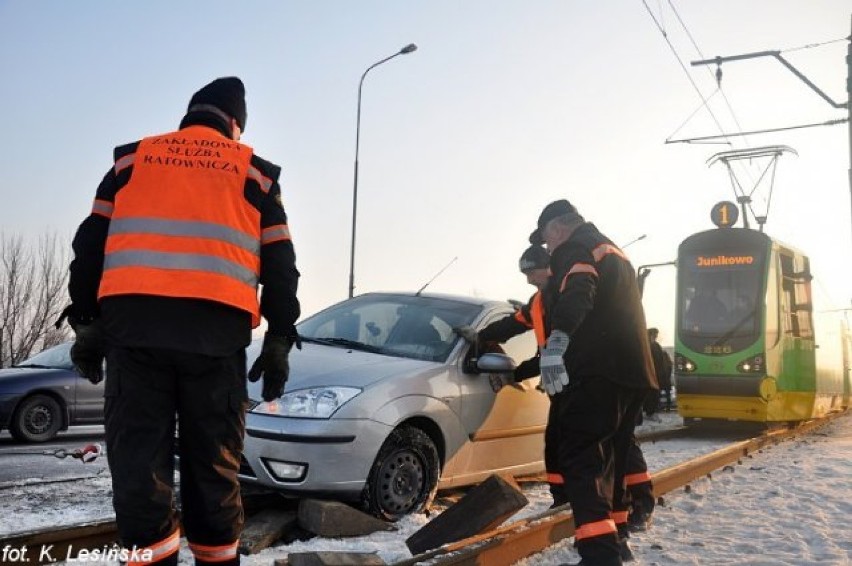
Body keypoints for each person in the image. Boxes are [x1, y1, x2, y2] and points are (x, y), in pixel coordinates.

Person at [64, 77, 300, 566]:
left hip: (135, 335)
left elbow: (90, 244)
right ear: (235, 124)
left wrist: (87, 319)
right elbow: (280, 263)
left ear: (191, 113)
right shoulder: (253, 173)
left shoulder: (133, 161)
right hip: (215, 342)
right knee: (213, 477)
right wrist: (279, 335)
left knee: (138, 474)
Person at [530, 199, 658, 566]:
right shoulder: (612, 249)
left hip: (597, 370)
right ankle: (616, 540)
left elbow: (579, 290)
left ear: (557, 228)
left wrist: (557, 342)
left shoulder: (576, 247)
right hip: (632, 372)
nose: (548, 249)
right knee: (613, 459)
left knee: (581, 457)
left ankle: (601, 554)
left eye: (546, 240)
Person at [647, 327, 673, 412]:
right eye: (654, 334)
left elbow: (661, 360)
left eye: (656, 335)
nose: (656, 336)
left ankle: (655, 408)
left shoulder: (656, 345)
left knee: (656, 391)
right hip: (652, 372)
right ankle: (652, 408)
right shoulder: (648, 345)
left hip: (658, 373)